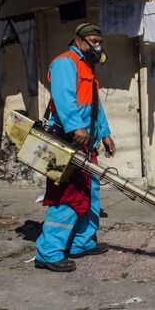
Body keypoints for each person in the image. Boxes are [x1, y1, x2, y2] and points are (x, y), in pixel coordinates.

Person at [34, 23, 116, 272]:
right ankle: (48, 252)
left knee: (90, 194)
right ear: (78, 40)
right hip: (67, 140)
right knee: (67, 198)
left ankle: (82, 242)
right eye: (93, 40)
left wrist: (106, 134)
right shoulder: (64, 63)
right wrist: (74, 127)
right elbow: (63, 98)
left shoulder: (87, 67)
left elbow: (94, 106)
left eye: (99, 41)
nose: (97, 45)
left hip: (86, 143)